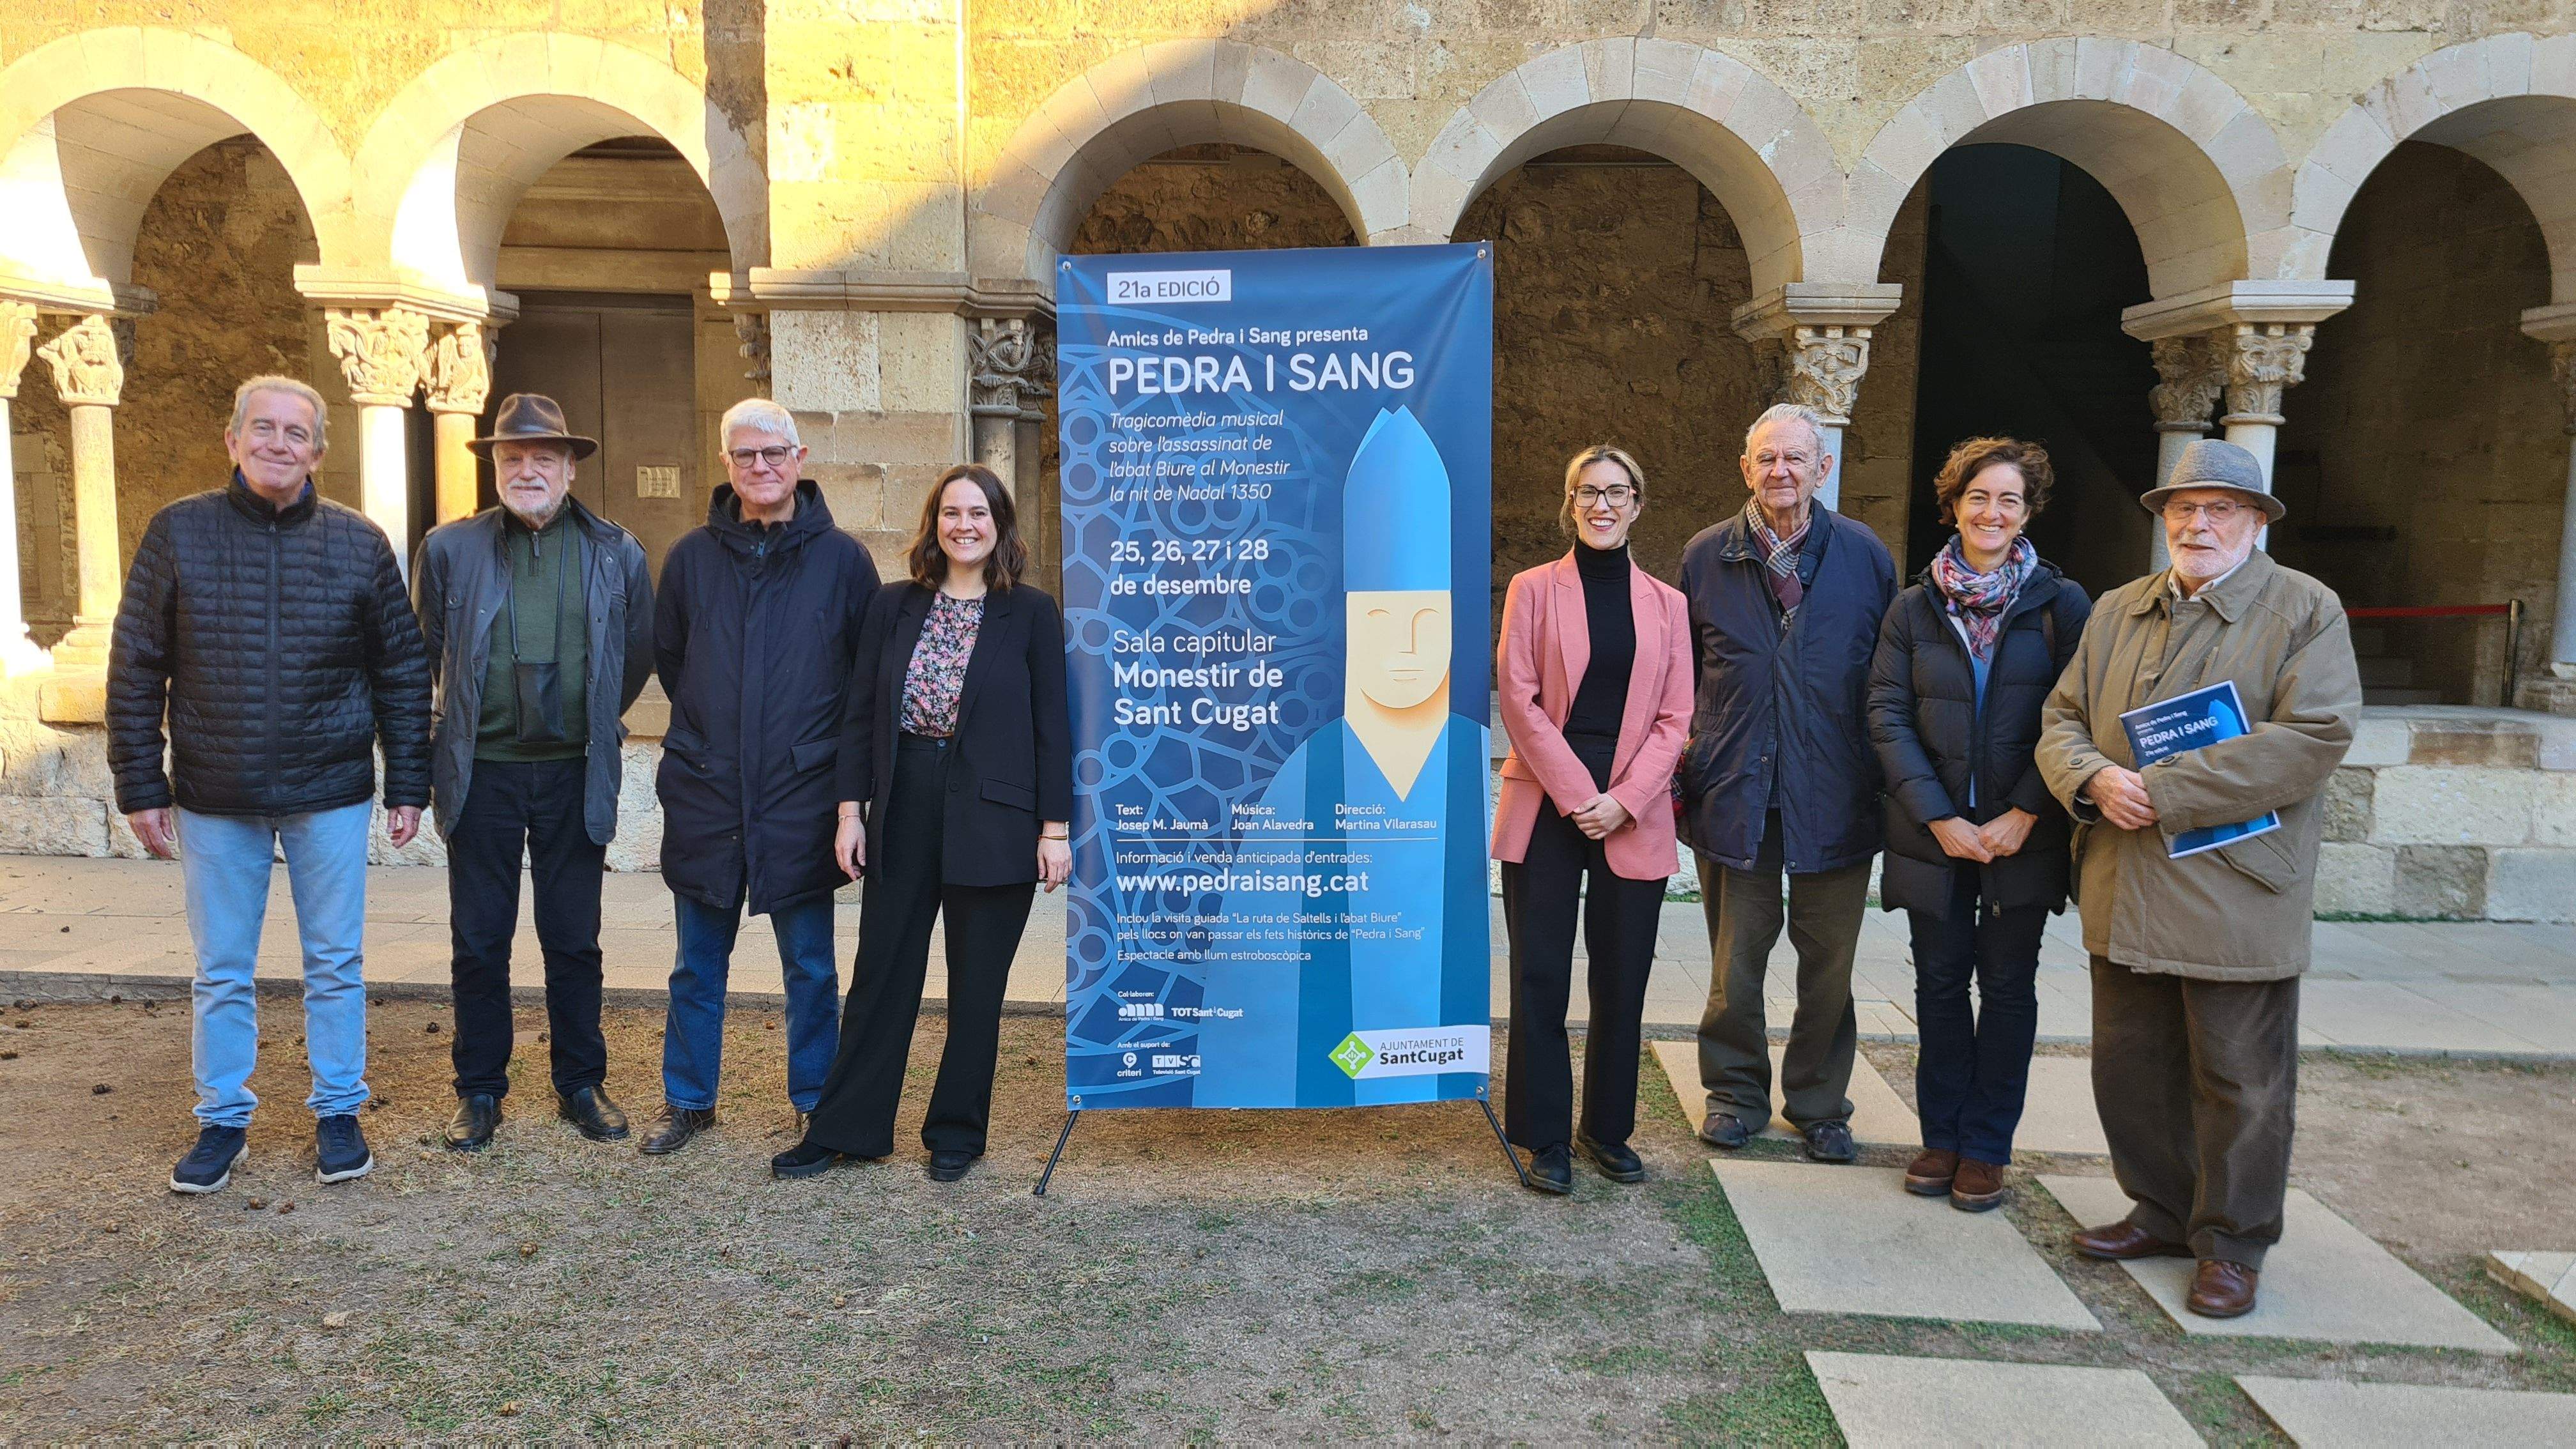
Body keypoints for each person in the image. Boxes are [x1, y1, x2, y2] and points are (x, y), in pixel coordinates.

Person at [2036, 438, 2361, 1319]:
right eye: (2184, 508)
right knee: (2131, 1068)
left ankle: (2232, 1245)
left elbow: (2315, 737)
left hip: (2236, 887)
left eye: (2221, 508)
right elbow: (2063, 717)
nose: (2199, 522)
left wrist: (2167, 792)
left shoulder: (2305, 609)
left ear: (2257, 522)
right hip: (2127, 877)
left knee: (2239, 1079)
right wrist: (2093, 780)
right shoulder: (2118, 609)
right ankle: (2162, 1211)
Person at [109, 375, 430, 1194]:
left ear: (319, 451)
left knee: (335, 960)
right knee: (221, 967)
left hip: (329, 788)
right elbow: (137, 663)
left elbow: (399, 667)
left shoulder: (359, 544)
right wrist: (140, 782)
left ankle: (338, 1110)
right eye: (263, 428)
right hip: (217, 793)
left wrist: (408, 782)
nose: (278, 443)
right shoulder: (178, 533)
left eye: (296, 432)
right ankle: (222, 1119)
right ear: (233, 439)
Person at [774, 463, 1071, 1183]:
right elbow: (859, 714)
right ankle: (848, 1127)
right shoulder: (893, 605)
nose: (963, 525)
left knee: (977, 987)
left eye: (977, 513)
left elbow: (1053, 727)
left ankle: (956, 1133)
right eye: (950, 513)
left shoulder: (1030, 612)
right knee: (882, 972)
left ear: (1000, 526)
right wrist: (851, 812)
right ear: (933, 524)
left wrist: (1054, 828)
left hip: (996, 815)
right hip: (903, 797)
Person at [413, 394, 655, 1151]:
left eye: (542, 458)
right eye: (512, 458)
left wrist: (592, 717)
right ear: (494, 467)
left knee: (573, 937)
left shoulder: (618, 552)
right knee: (480, 939)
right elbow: (425, 650)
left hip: (573, 772)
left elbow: (637, 654)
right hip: (481, 772)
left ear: (570, 467)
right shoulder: (449, 550)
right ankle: (480, 1090)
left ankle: (581, 1082)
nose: (527, 471)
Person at [641, 399, 880, 1154]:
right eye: (746, 456)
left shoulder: (843, 562)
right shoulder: (690, 559)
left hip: (800, 796)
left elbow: (861, 683)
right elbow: (676, 662)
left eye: (774, 453)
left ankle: (816, 1098)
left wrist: (844, 793)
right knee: (695, 964)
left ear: (801, 457)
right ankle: (688, 1099)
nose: (762, 467)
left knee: (810, 964)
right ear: (728, 465)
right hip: (709, 790)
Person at [1866, 437, 2090, 1211]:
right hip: (1934, 836)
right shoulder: (1913, 605)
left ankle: (1987, 1147)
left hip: (2022, 831)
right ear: (1954, 504)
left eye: (2009, 501)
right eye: (1979, 497)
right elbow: (1886, 714)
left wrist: (2027, 808)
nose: (1992, 513)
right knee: (1936, 982)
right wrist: (1936, 816)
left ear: (2028, 513)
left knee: (2007, 985)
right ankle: (1941, 1136)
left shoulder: (2063, 607)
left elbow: (2076, 714)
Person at [1676, 402, 1897, 1163]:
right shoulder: (1706, 556)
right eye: (1766, 458)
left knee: (1828, 964)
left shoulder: (1865, 556)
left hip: (1836, 794)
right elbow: (1680, 676)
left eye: (1795, 459)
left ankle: (1818, 1102)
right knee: (1735, 965)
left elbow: (1885, 676)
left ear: (1822, 468)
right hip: (1735, 791)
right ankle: (1734, 1096)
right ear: (1746, 468)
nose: (1780, 472)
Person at [1492, 445, 1692, 1195]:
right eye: (1588, 493)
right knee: (1541, 972)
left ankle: (1607, 1130)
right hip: (1549, 798)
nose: (1602, 505)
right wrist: (1582, 797)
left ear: (1639, 504)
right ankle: (1545, 1135)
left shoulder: (1668, 605)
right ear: (1570, 503)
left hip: (1632, 807)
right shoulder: (1533, 589)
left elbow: (1677, 719)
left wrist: (1626, 801)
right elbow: (1518, 698)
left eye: (1617, 492)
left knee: (1623, 976)